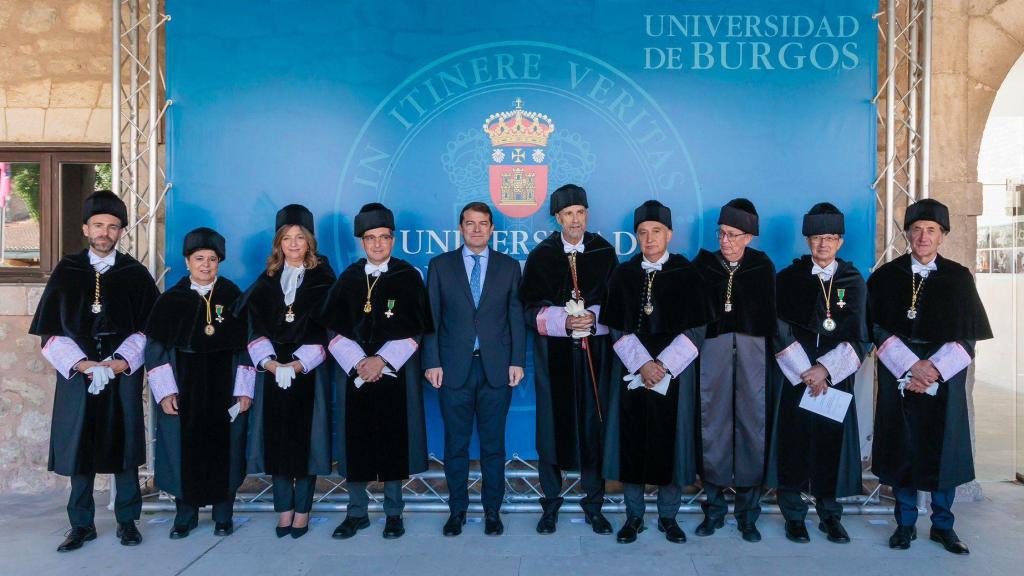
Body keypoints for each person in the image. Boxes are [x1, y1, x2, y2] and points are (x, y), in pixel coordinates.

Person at [30, 190, 158, 552]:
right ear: (86, 228)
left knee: (125, 446)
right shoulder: (66, 271)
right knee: (80, 447)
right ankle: (81, 524)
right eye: (98, 225)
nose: (105, 232)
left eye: (113, 227)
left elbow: (148, 329)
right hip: (77, 373)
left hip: (122, 373)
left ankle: (127, 520)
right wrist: (83, 364)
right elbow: (51, 331)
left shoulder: (135, 274)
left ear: (121, 232)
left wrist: (119, 362)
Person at [869, 199, 992, 555]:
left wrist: (933, 370)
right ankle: (905, 524)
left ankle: (943, 526)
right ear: (907, 234)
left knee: (943, 450)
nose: (923, 237)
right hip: (900, 374)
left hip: (944, 376)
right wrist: (912, 366)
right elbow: (876, 328)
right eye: (917, 229)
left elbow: (968, 337)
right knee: (903, 446)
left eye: (931, 230)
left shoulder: (958, 277)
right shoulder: (886, 277)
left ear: (943, 236)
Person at [599, 200, 712, 544]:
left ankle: (668, 517)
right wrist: (643, 364)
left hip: (673, 375)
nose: (649, 239)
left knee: (672, 442)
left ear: (670, 235)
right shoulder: (623, 274)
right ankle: (633, 517)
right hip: (633, 372)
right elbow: (617, 328)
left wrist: (662, 366)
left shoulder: (687, 273)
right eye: (643, 233)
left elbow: (697, 329)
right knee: (632, 442)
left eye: (656, 232)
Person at [321, 203, 432, 540]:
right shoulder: (348, 278)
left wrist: (380, 361)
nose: (378, 244)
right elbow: (331, 328)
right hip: (355, 375)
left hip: (393, 375)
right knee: (356, 444)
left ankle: (394, 513)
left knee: (393, 440)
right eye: (371, 238)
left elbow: (418, 328)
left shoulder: (408, 276)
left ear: (393, 239)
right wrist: (360, 362)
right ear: (362, 241)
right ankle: (356, 512)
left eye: (384, 237)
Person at [767, 202, 869, 545]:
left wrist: (825, 370)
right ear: (807, 241)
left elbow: (861, 335)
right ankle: (793, 516)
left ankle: (830, 516)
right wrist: (806, 372)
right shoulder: (788, 278)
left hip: (834, 379)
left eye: (829, 238)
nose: (822, 245)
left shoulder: (854, 281)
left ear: (840, 242)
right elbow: (778, 330)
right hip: (795, 378)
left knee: (832, 446)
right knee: (793, 446)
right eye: (815, 238)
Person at [422, 201, 526, 537]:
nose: (477, 229)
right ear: (461, 227)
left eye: (483, 223)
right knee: (456, 445)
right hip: (453, 369)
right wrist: (432, 362)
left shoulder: (510, 267)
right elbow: (432, 320)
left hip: (496, 369)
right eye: (470, 223)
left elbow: (516, 320)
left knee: (494, 446)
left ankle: (493, 512)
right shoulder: (440, 266)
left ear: (492, 228)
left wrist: (517, 361)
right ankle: (457, 512)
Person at [519, 184, 617, 535]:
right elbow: (528, 309)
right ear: (557, 218)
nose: (575, 220)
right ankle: (550, 506)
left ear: (586, 215)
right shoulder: (542, 255)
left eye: (580, 213)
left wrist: (593, 317)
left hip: (595, 356)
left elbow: (618, 304)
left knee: (594, 425)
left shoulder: (604, 253)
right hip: (554, 357)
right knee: (551, 428)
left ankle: (594, 504)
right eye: (568, 214)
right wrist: (564, 321)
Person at [144, 227, 254, 539]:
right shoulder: (171, 300)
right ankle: (185, 516)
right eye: (199, 258)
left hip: (225, 387)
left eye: (212, 259)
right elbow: (155, 348)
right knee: (181, 450)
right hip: (183, 387)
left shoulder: (234, 297)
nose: (205, 265)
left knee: (227, 450)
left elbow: (248, 346)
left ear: (219, 261)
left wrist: (244, 390)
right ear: (187, 261)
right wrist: (165, 392)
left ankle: (223, 516)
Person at [235, 204, 335, 539]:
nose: (293, 244)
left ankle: (303, 510)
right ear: (279, 243)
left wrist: (298, 364)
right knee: (277, 441)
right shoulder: (267, 281)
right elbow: (252, 325)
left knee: (306, 443)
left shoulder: (324, 279)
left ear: (309, 242)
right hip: (273, 371)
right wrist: (271, 363)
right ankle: (284, 510)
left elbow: (329, 328)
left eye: (299, 237)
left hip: (308, 371)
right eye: (287, 238)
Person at [692, 198, 776, 542]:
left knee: (751, 428)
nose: (725, 241)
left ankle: (747, 514)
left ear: (749, 237)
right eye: (722, 233)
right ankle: (713, 510)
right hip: (712, 353)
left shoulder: (762, 267)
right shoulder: (703, 266)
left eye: (733, 235)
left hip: (753, 355)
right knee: (712, 425)